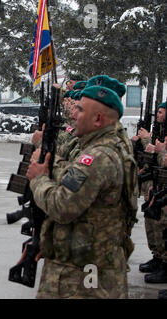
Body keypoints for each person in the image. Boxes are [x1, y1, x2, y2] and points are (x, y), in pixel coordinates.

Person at [26, 85, 138, 298]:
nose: (74, 115)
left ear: (97, 119)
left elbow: (62, 206)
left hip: (83, 278)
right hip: (83, 265)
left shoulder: (98, 158)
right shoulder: (101, 150)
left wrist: (39, 179)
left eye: (80, 110)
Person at [133, 102, 166, 275]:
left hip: (162, 187)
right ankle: (158, 257)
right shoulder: (160, 132)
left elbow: (163, 160)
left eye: (161, 112)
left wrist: (150, 142)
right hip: (155, 185)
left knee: (161, 225)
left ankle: (164, 261)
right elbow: (149, 159)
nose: (158, 115)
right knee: (151, 222)